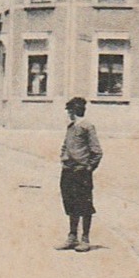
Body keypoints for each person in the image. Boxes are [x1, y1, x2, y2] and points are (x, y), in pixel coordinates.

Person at [57, 96, 104, 252]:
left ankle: (85, 239)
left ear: (73, 111)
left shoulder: (87, 127)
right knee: (70, 203)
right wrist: (63, 158)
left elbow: (97, 152)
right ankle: (72, 237)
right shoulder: (70, 127)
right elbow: (65, 145)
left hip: (81, 172)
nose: (68, 114)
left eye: (69, 110)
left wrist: (88, 168)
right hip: (68, 170)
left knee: (84, 205)